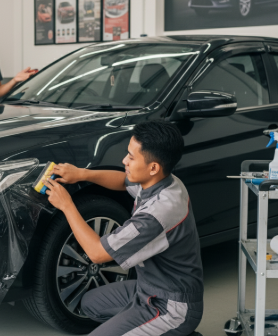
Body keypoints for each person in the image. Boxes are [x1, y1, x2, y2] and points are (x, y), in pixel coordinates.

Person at [43, 120, 204, 336]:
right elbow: (123, 181)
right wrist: (82, 174)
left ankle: (172, 331)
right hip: (145, 288)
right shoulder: (165, 181)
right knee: (90, 303)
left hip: (171, 306)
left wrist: (67, 205)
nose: (124, 161)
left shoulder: (158, 214)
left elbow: (97, 254)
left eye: (131, 157)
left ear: (153, 167)